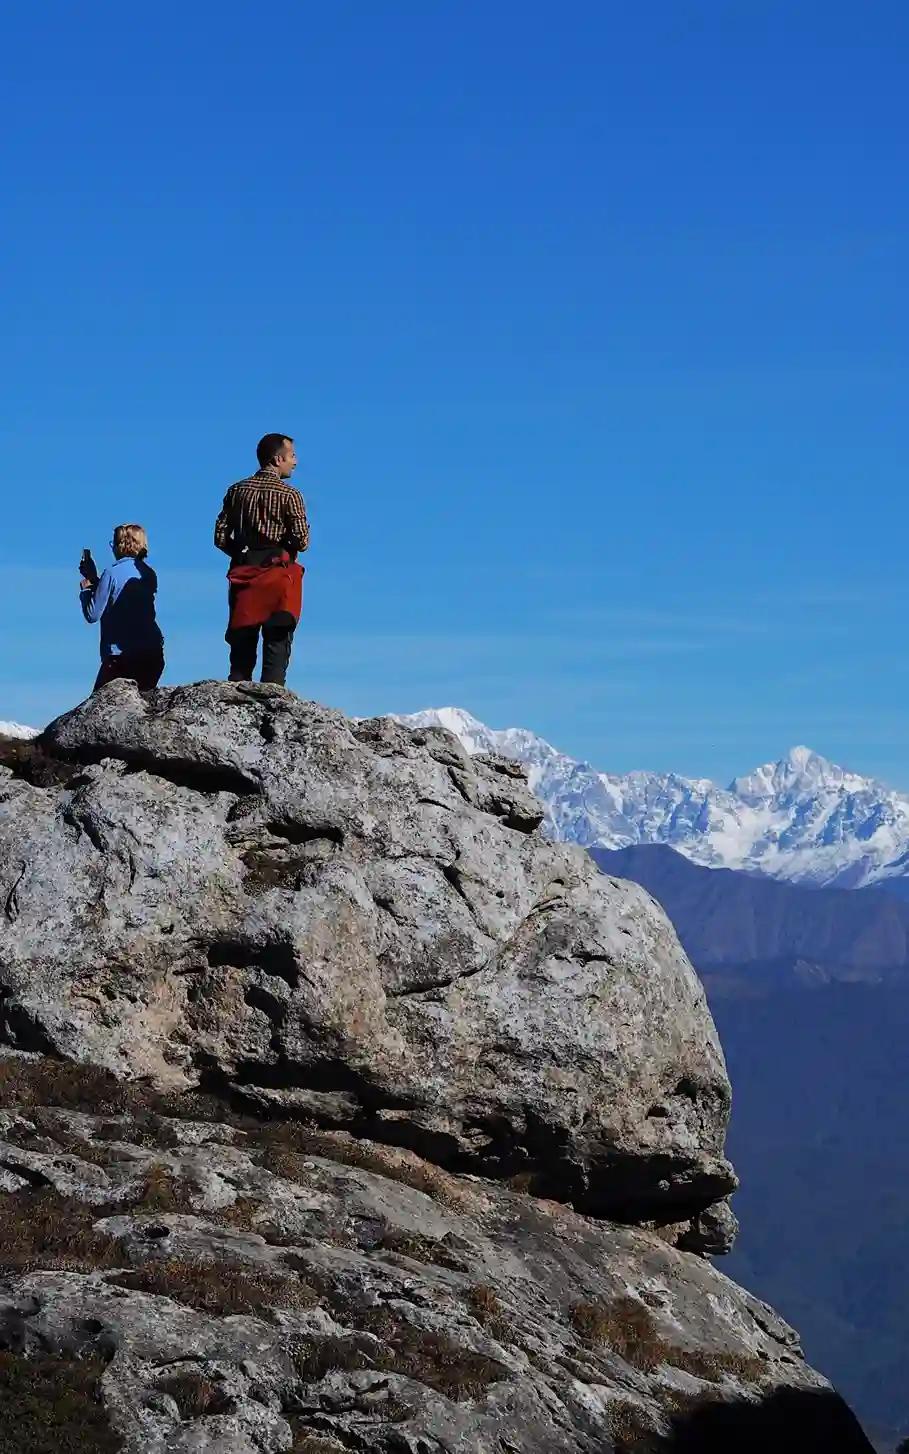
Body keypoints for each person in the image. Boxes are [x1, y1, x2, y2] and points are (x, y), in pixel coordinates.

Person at [214, 433, 310, 686]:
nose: (295, 462)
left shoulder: (236, 491)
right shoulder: (291, 496)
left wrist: (241, 553)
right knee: (277, 639)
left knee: (242, 639)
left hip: (244, 570)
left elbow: (220, 536)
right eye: (292, 456)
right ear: (278, 459)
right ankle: (273, 695)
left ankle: (237, 690)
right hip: (278, 571)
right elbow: (302, 541)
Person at [80, 524, 165, 691]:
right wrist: (96, 580)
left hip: (120, 658)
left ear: (120, 545)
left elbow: (92, 614)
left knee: (100, 709)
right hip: (152, 653)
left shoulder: (111, 573)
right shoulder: (149, 574)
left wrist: (87, 589)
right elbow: (124, 599)